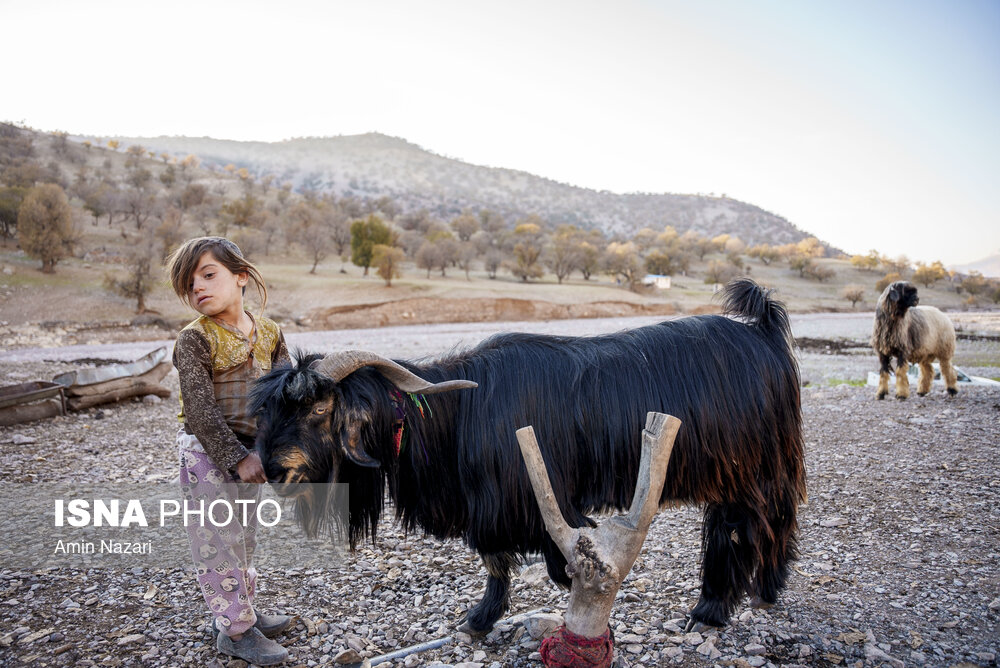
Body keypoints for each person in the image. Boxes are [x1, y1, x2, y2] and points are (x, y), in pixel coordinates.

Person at [166, 236, 292, 665]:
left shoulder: (270, 333)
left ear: (240, 276)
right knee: (217, 540)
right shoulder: (195, 340)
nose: (197, 287)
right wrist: (238, 459)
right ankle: (236, 633)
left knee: (244, 538)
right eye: (190, 283)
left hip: (251, 452)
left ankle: (241, 612)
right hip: (208, 453)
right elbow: (200, 414)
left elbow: (284, 396)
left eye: (208, 274)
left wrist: (270, 450)